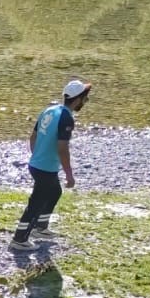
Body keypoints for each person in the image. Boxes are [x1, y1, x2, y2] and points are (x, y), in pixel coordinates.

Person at [11, 80, 92, 251]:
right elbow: (62, 148)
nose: (86, 101)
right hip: (45, 167)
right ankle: (19, 239)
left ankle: (41, 228)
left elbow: (32, 137)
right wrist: (69, 175)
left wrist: (37, 156)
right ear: (77, 100)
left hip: (37, 164)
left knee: (55, 191)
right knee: (37, 202)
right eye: (86, 98)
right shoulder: (66, 117)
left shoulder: (49, 110)